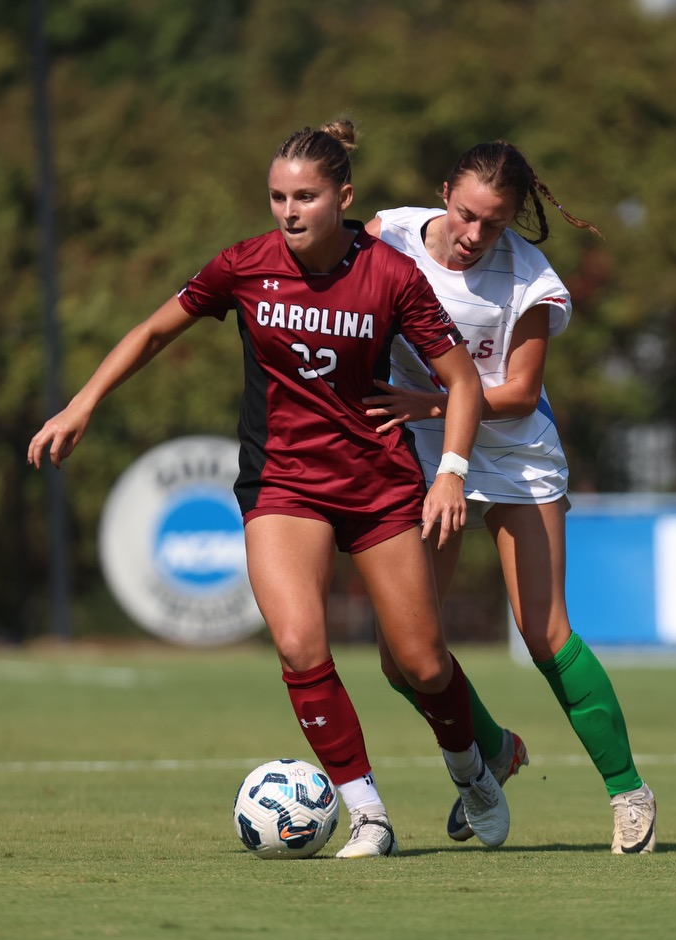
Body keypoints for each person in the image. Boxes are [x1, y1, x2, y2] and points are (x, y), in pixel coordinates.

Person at [27, 120, 511, 858]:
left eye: (306, 197)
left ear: (343, 197)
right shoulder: (244, 266)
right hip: (283, 482)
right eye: (279, 197)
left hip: (379, 485)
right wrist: (83, 401)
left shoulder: (389, 273)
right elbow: (155, 330)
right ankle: (368, 813)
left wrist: (450, 473)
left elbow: (461, 383)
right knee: (297, 644)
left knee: (420, 662)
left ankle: (472, 772)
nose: (289, 211)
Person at [362, 140, 657, 854]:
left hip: (513, 451)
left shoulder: (530, 278)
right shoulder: (389, 235)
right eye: (464, 215)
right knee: (404, 656)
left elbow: (521, 395)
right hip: (424, 445)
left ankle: (629, 793)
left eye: (491, 225)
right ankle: (494, 749)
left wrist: (428, 405)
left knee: (544, 632)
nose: (472, 236)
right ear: (443, 194)